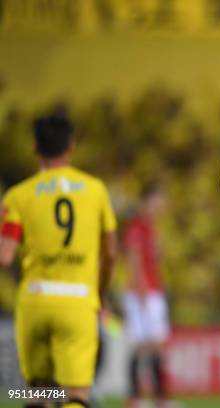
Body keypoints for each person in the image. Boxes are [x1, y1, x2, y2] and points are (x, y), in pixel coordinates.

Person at [0, 114, 118, 407]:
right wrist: (100, 295)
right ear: (71, 147)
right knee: (76, 395)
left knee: (38, 392)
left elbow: (5, 256)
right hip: (78, 302)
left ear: (35, 149)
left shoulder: (18, 196)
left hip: (35, 300)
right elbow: (111, 253)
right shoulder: (95, 190)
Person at [123, 182, 171, 408]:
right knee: (144, 344)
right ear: (147, 201)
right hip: (143, 294)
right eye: (158, 200)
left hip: (152, 291)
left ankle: (154, 398)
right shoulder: (137, 228)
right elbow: (134, 261)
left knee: (153, 344)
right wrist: (141, 293)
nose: (161, 205)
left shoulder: (152, 227)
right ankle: (139, 398)